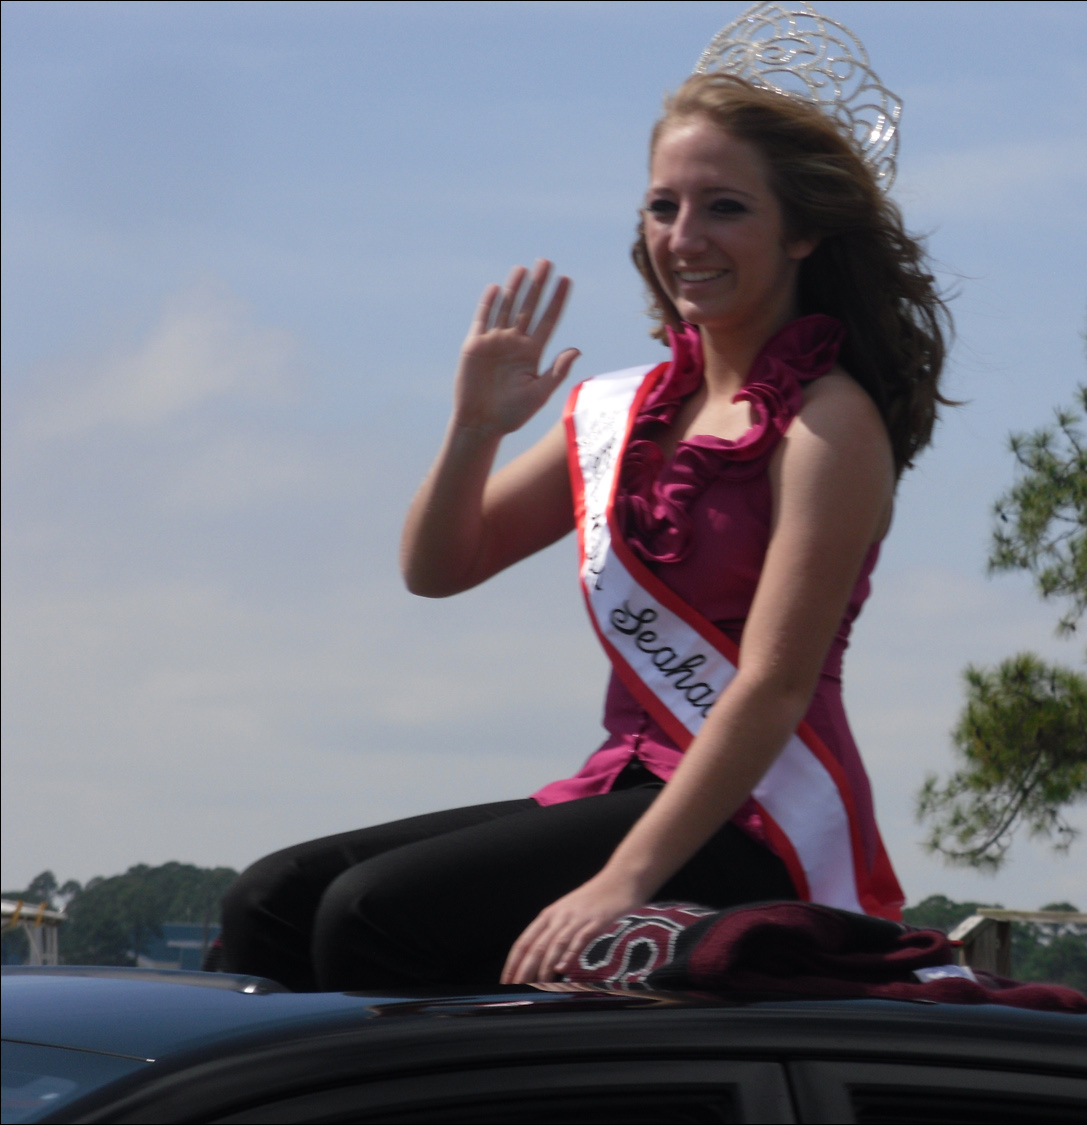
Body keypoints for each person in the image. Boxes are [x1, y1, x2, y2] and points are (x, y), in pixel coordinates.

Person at [220, 33, 949, 993]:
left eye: (724, 208)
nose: (684, 238)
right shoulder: (626, 410)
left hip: (755, 813)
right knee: (269, 900)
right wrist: (474, 428)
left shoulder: (828, 423)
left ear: (802, 232)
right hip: (622, 782)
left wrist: (622, 880)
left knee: (375, 918)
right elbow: (439, 567)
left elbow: (774, 687)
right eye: (663, 206)